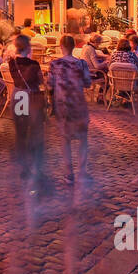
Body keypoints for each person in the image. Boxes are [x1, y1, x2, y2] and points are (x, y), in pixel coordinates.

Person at [47, 35, 96, 189]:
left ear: (61, 46)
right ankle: (82, 171)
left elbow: (49, 85)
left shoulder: (54, 64)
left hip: (63, 106)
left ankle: (69, 173)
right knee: (82, 139)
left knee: (65, 140)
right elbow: (88, 83)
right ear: (74, 46)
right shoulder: (81, 64)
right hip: (78, 103)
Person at [8, 35, 49, 199]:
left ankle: (23, 166)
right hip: (31, 96)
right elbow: (40, 82)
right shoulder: (34, 64)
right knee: (35, 131)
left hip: (18, 96)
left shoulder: (12, 62)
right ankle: (36, 167)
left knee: (20, 131)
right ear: (28, 47)